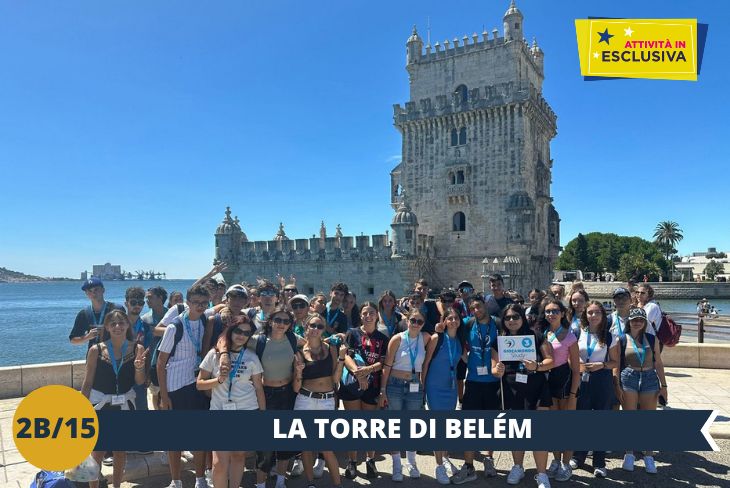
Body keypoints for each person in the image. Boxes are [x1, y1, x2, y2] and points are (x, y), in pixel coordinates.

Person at [80, 309, 146, 488]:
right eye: (113, 323)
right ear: (107, 327)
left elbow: (139, 382)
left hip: (124, 405)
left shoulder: (137, 348)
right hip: (101, 406)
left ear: (127, 325)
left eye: (121, 322)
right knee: (97, 452)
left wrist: (139, 367)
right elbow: (87, 383)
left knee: (120, 451)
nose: (118, 326)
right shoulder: (96, 350)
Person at [197, 318, 265, 488]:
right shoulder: (214, 354)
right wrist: (218, 380)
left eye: (246, 333)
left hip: (246, 411)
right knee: (219, 463)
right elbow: (199, 384)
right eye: (238, 331)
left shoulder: (252, 357)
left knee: (238, 455)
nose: (242, 335)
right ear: (231, 331)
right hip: (220, 411)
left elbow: (258, 388)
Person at [491, 304, 553, 488]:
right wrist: (498, 369)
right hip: (512, 389)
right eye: (508, 318)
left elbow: (551, 361)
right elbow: (494, 368)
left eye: (515, 317)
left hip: (536, 387)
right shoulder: (500, 340)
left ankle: (542, 474)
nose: (512, 320)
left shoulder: (536, 336)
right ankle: (518, 467)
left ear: (522, 318)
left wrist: (537, 366)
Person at [157, 285, 211, 488]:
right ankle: (176, 480)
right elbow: (161, 363)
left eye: (204, 303)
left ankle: (199, 479)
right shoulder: (174, 327)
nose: (200, 306)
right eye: (196, 302)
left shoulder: (206, 320)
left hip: (196, 385)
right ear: (187, 302)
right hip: (176, 386)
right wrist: (164, 395)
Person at [292, 314, 346, 488]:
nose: (316, 329)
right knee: (306, 447)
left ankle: (337, 484)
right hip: (305, 399)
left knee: (326, 447)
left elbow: (335, 379)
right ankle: (310, 483)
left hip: (326, 400)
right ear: (306, 327)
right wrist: (299, 372)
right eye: (312, 326)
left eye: (320, 326)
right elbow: (295, 387)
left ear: (324, 330)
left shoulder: (330, 348)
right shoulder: (299, 352)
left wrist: (342, 359)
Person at [450, 296, 499, 484]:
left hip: (494, 381)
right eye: (472, 308)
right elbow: (450, 324)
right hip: (473, 380)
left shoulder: (498, 324)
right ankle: (469, 466)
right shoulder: (468, 323)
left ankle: (488, 459)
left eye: (478, 306)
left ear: (486, 305)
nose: (476, 311)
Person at [379, 309, 431, 481]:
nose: (416, 324)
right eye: (413, 320)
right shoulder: (398, 338)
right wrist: (383, 390)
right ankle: (396, 463)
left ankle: (411, 461)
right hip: (395, 384)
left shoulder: (425, 338)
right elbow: (386, 366)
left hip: (415, 385)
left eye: (420, 321)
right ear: (407, 321)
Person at [569, 301, 619, 478]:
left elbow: (615, 362)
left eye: (597, 312)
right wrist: (578, 364)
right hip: (582, 379)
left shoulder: (610, 336)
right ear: (585, 315)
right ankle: (578, 455)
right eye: (590, 313)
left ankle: (599, 461)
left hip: (602, 378)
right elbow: (570, 357)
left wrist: (602, 364)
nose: (593, 316)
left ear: (603, 315)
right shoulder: (577, 332)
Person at [617, 307, 668, 475]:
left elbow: (658, 363)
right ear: (629, 322)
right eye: (634, 320)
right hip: (629, 377)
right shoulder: (622, 339)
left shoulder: (652, 339)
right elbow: (617, 365)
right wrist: (616, 384)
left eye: (640, 319)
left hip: (649, 378)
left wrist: (664, 386)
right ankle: (629, 453)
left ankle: (649, 456)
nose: (637, 322)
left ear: (645, 322)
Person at [341, 302, 388, 480]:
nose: (368, 316)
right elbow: (345, 355)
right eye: (365, 313)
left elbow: (383, 362)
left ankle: (370, 460)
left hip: (372, 386)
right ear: (360, 315)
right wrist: (358, 374)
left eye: (372, 313)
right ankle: (352, 462)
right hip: (352, 383)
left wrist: (368, 371)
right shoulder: (352, 333)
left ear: (377, 316)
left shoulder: (383, 338)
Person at [540, 299, 580, 482]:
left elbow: (576, 370)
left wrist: (573, 394)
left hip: (564, 380)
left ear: (562, 313)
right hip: (549, 381)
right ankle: (556, 460)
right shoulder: (544, 334)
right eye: (548, 311)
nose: (551, 314)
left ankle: (566, 462)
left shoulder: (570, 336)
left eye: (555, 311)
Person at [422, 308, 462, 484]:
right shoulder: (437, 338)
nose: (453, 320)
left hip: (450, 387)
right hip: (435, 386)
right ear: (444, 321)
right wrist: (423, 386)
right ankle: (438, 465)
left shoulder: (459, 341)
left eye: (456, 318)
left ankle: (444, 457)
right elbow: (426, 362)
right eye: (450, 318)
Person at [69, 278, 123, 349]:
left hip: (115, 353)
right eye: (89, 291)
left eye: (96, 289)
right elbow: (73, 340)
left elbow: (127, 332)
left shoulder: (116, 309)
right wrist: (87, 337)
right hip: (93, 356)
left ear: (103, 290)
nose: (93, 293)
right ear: (86, 294)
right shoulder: (84, 314)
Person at [125, 287, 154, 411]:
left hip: (139, 375)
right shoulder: (117, 325)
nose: (137, 306)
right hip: (121, 375)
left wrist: (148, 374)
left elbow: (148, 353)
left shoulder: (146, 327)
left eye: (140, 303)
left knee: (141, 407)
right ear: (126, 303)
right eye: (133, 302)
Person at [142, 286, 168, 410]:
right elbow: (143, 345)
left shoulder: (172, 315)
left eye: (150, 297)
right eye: (147, 298)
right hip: (152, 363)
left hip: (169, 363)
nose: (147, 300)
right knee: (155, 394)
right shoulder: (145, 319)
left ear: (160, 298)